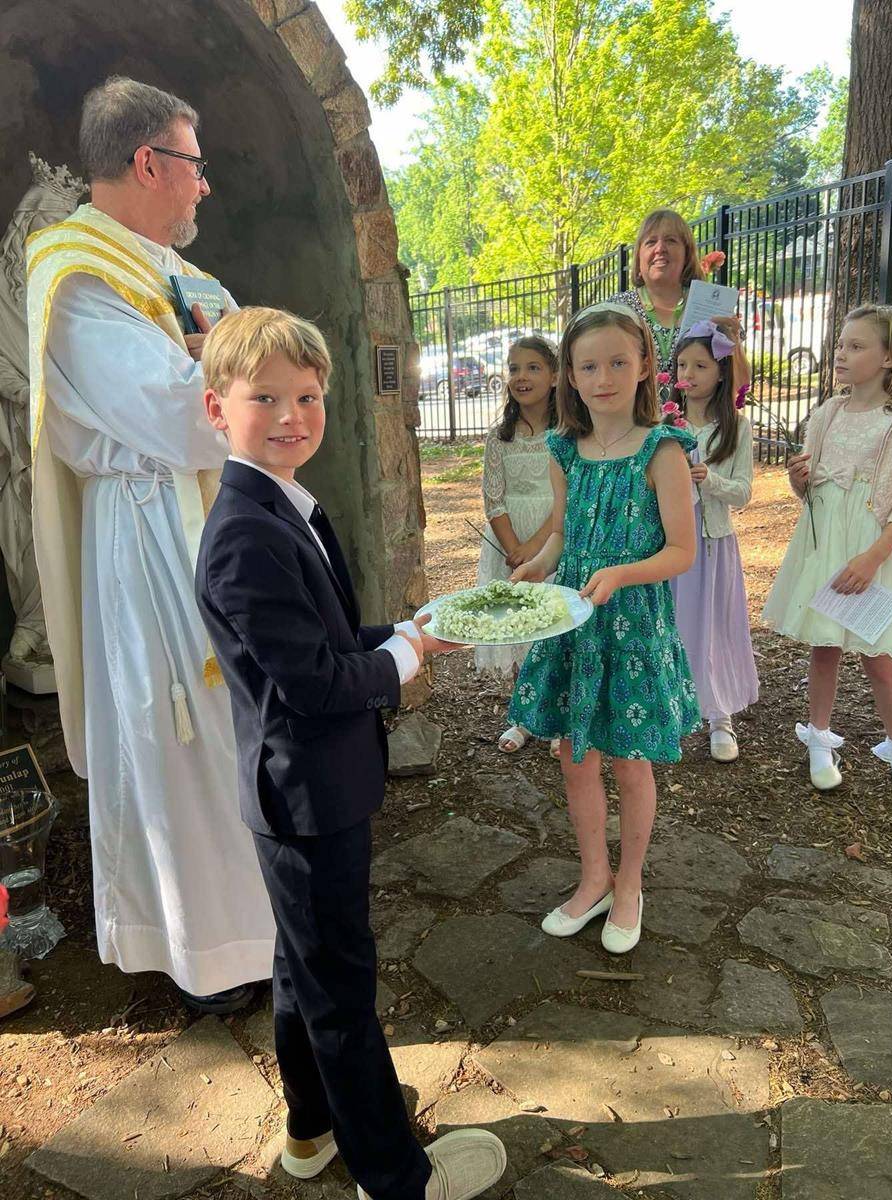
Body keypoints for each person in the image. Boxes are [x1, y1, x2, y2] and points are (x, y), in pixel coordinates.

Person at [195, 306, 507, 1200]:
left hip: (308, 788)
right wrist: (403, 659)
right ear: (219, 410)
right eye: (266, 398)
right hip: (306, 798)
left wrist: (407, 630)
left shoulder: (277, 502)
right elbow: (318, 686)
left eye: (308, 394)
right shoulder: (246, 535)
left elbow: (326, 640)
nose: (293, 414)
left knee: (303, 964)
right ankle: (393, 1172)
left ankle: (312, 1129)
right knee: (339, 983)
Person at [26, 76, 275, 1012]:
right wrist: (231, 372)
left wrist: (232, 372)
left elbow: (245, 384)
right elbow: (185, 418)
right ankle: (205, 959)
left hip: (219, 521)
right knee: (179, 739)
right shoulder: (75, 273)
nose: (205, 187)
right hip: (149, 535)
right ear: (148, 163)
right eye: (195, 167)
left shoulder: (186, 275)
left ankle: (258, 929)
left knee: (236, 736)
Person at [508, 302, 700, 953]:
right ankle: (593, 877)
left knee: (630, 761)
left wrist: (621, 574)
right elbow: (562, 533)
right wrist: (532, 568)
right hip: (575, 624)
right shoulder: (565, 448)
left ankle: (630, 884)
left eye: (619, 361)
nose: (604, 376)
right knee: (574, 756)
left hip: (632, 628)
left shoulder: (662, 450)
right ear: (572, 374)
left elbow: (682, 551)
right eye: (589, 365)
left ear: (645, 364)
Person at [762, 304, 892, 789]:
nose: (841, 354)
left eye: (857, 346)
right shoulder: (826, 414)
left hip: (868, 549)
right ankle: (818, 736)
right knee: (825, 647)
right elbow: (813, 493)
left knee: (878, 654)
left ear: (889, 357)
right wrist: (800, 482)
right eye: (840, 344)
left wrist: (873, 556)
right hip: (824, 547)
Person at [668, 320, 759, 761]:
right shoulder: (663, 423)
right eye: (683, 364)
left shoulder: (736, 428)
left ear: (721, 372)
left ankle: (720, 715)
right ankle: (673, 707)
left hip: (712, 541)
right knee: (674, 624)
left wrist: (710, 480)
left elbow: (743, 492)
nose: (689, 374)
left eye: (700, 365)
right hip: (668, 544)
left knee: (714, 626)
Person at [476, 336, 558, 755]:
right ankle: (524, 716)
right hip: (508, 544)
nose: (520, 377)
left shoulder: (569, 433)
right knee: (519, 626)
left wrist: (535, 547)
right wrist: (512, 547)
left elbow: (568, 497)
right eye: (512, 369)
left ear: (555, 375)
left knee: (553, 629)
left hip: (552, 541)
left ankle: (559, 717)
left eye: (532, 367)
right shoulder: (499, 438)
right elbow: (494, 498)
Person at [609, 208, 749, 403]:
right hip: (633, 429)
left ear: (687, 253)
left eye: (671, 240)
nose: (660, 248)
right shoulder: (615, 311)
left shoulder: (711, 306)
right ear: (639, 256)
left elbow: (740, 387)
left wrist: (733, 347)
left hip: (697, 429)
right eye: (651, 242)